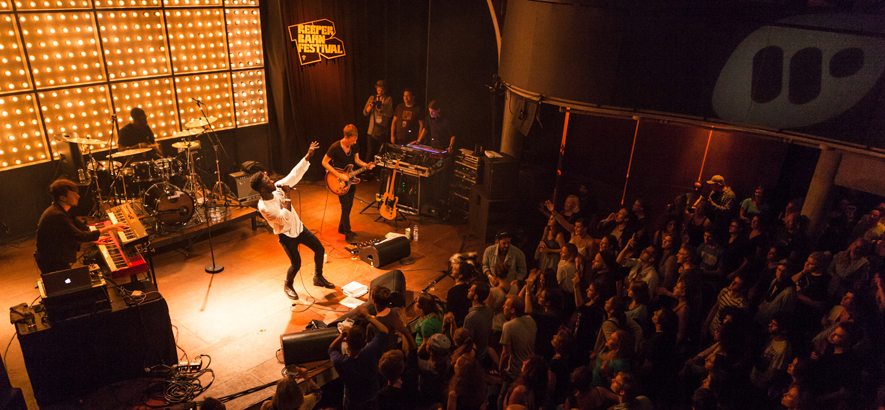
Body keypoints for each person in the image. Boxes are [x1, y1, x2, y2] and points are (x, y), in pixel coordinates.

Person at [252, 142, 333, 300]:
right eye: (268, 182)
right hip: (286, 236)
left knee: (319, 249)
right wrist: (288, 195)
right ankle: (288, 284)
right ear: (262, 189)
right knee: (296, 264)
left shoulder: (276, 187)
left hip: (299, 228)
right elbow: (284, 217)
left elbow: (293, 175)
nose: (272, 181)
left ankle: (318, 277)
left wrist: (308, 156)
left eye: (269, 179)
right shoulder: (264, 207)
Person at [35, 179, 123, 274]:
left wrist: (92, 241)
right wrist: (109, 227)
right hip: (52, 262)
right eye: (74, 194)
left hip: (53, 258)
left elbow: (64, 237)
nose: (78, 196)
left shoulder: (57, 211)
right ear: (62, 198)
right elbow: (79, 235)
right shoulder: (56, 215)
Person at [329, 305, 389, 410]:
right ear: (365, 341)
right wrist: (367, 316)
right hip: (372, 397)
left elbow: (332, 349)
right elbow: (384, 330)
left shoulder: (341, 362)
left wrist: (342, 335)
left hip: (353, 402)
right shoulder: (370, 351)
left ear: (347, 341)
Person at [322, 124, 375, 242]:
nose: (355, 142)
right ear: (346, 137)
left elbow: (357, 160)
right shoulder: (335, 147)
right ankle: (348, 233)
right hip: (339, 181)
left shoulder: (354, 147)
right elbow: (324, 162)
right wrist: (339, 175)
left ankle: (342, 227)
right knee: (345, 206)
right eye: (353, 140)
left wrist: (366, 165)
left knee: (350, 205)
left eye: (355, 139)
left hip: (351, 179)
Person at [499, 295, 538, 410]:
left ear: (512, 310)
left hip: (515, 371)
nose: (503, 306)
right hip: (529, 368)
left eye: (506, 305)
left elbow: (506, 354)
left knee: (502, 399)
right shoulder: (530, 320)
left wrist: (501, 369)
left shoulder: (508, 326)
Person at [363, 80, 393, 162]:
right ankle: (367, 173)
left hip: (382, 131)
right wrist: (371, 106)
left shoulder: (388, 99)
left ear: (385, 90)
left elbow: (390, 114)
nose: (380, 92)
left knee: (381, 152)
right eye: (379, 90)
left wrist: (382, 109)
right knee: (370, 152)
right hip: (371, 130)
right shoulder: (372, 98)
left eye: (382, 90)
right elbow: (365, 112)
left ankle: (378, 172)